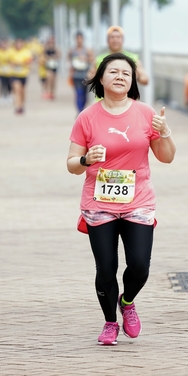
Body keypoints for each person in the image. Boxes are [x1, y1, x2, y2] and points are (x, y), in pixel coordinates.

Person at [67, 52, 175, 346]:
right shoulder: (87, 117)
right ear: (101, 78)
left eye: (126, 73)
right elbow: (72, 164)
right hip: (99, 203)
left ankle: (127, 302)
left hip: (138, 200)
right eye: (113, 71)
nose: (120, 77)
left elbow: (166, 157)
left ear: (132, 81)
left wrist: (165, 133)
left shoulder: (145, 114)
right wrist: (86, 159)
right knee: (106, 268)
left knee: (140, 266)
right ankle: (110, 323)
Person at [68, 31, 94, 113]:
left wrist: (85, 58)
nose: (79, 40)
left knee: (85, 95)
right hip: (76, 75)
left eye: (81, 38)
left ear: (83, 39)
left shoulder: (87, 50)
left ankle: (83, 109)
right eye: (77, 38)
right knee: (79, 93)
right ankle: (79, 111)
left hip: (85, 74)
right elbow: (68, 61)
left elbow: (93, 60)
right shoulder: (72, 50)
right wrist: (70, 72)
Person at [8, 38, 32, 114]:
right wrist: (13, 63)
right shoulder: (11, 51)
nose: (19, 45)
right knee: (17, 90)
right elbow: (8, 60)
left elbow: (29, 61)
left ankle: (22, 105)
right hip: (14, 74)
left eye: (20, 43)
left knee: (22, 92)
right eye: (17, 43)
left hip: (23, 74)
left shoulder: (26, 52)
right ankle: (18, 106)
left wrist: (20, 63)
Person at [0, 39, 12, 104]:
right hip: (1, 70)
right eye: (3, 44)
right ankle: (2, 96)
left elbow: (12, 60)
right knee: (2, 84)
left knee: (9, 84)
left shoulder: (10, 51)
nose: (4, 45)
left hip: (9, 70)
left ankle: (9, 95)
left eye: (5, 44)